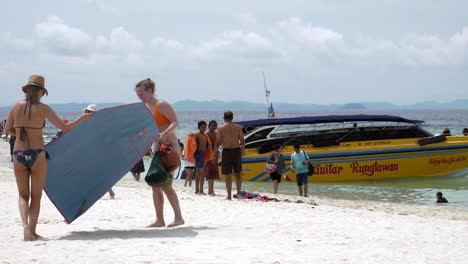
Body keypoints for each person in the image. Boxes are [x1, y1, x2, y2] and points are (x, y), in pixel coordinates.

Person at [5, 75, 92, 241]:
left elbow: (8, 128)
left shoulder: (16, 106)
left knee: (23, 195)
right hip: (37, 153)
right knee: (36, 196)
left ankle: (25, 227)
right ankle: (32, 231)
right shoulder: (44, 109)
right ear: (39, 91)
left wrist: (22, 134)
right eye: (43, 92)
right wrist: (83, 118)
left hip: (18, 153)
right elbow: (65, 127)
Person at [134, 78, 184, 227]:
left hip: (170, 149)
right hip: (158, 149)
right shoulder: (145, 107)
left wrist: (165, 133)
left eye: (142, 94)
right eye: (138, 95)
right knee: (155, 183)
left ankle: (179, 218)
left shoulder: (161, 105)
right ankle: (159, 219)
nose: (140, 97)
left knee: (165, 184)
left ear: (150, 91)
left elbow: (175, 122)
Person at [83, 104, 115, 198]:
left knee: (96, 172)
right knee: (94, 172)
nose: (86, 113)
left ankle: (109, 190)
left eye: (88, 112)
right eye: (86, 111)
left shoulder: (96, 124)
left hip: (95, 151)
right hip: (89, 150)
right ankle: (109, 191)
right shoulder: (86, 122)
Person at [214, 111, 245, 200]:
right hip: (236, 151)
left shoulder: (220, 128)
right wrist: (242, 151)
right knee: (238, 174)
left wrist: (214, 154)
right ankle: (238, 193)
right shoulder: (238, 127)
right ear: (232, 118)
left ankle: (229, 196)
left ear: (224, 118)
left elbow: (218, 142)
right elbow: (242, 142)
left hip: (226, 151)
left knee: (228, 175)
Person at [194, 120, 208, 194]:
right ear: (199, 127)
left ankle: (198, 190)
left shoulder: (205, 135)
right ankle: (200, 190)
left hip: (203, 154)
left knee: (198, 173)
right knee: (201, 173)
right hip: (198, 154)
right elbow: (192, 145)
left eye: (205, 127)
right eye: (202, 127)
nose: (204, 129)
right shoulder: (197, 134)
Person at [205, 120, 220, 196]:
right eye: (211, 125)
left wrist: (217, 153)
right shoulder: (206, 134)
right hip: (209, 155)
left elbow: (218, 145)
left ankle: (211, 190)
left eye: (214, 125)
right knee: (209, 172)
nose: (213, 127)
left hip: (216, 154)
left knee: (213, 173)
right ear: (209, 126)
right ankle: (210, 190)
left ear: (216, 127)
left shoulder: (217, 134)